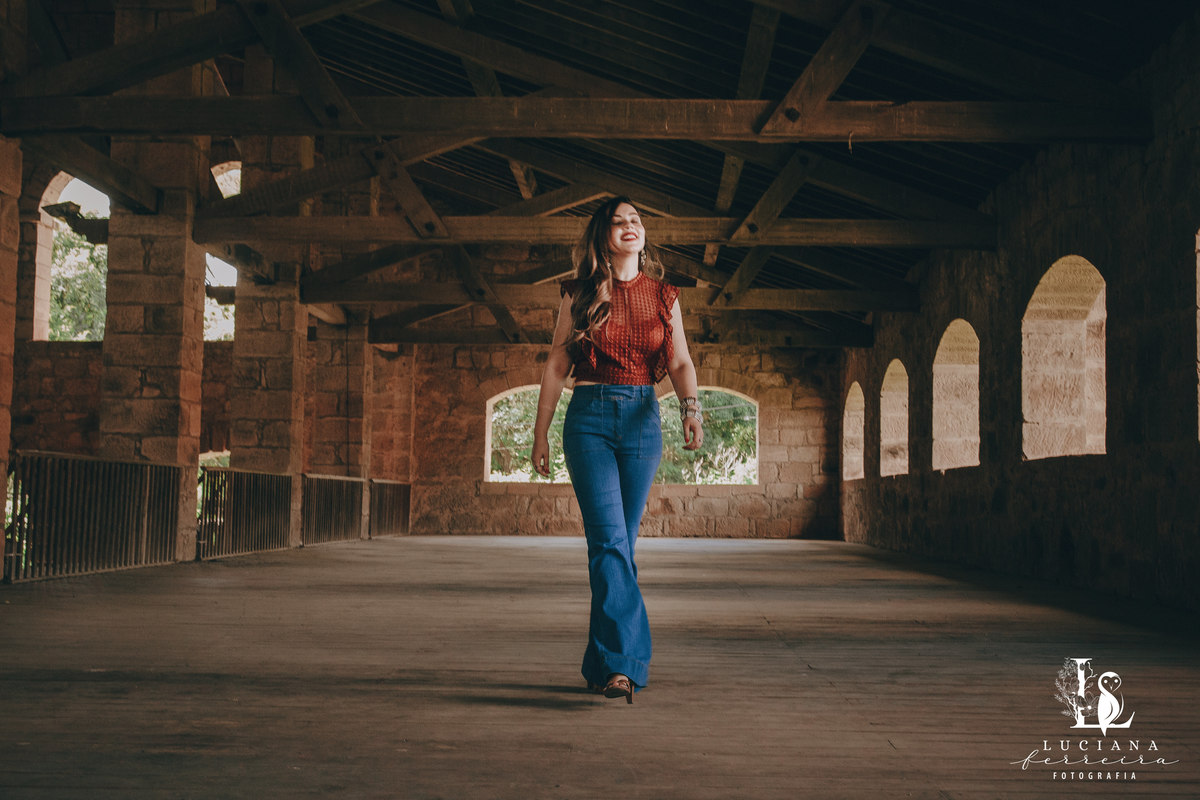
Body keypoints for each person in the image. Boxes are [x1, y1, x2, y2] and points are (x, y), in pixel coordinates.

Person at [531, 196, 703, 704]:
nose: (630, 226)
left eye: (637, 220)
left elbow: (681, 363)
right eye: (619, 221)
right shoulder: (579, 293)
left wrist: (691, 411)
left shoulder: (664, 296)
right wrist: (539, 433)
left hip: (642, 422)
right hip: (588, 420)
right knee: (609, 543)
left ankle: (601, 662)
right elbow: (556, 366)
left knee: (619, 548)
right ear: (603, 235)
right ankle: (625, 666)